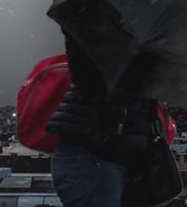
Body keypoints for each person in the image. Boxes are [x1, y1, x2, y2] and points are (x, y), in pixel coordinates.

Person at [46, 31, 163, 207]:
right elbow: (86, 72)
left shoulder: (138, 34)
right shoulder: (105, 28)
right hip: (95, 160)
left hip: (109, 160)